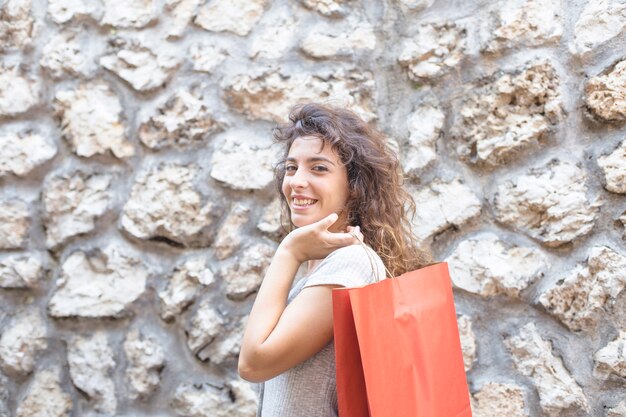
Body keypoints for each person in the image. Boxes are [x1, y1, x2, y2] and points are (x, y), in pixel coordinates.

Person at [238, 103, 432, 417]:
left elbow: (253, 363)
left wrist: (289, 252)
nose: (297, 181)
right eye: (291, 167)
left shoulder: (350, 264)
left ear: (354, 187)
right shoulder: (324, 268)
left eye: (318, 168)